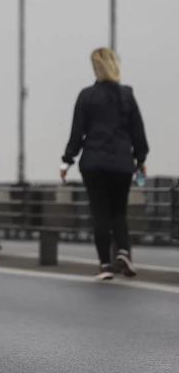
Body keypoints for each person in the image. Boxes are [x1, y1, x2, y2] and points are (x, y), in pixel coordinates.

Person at [61, 47, 150, 280]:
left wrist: (67, 161)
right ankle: (123, 252)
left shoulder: (86, 96)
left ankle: (104, 266)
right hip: (121, 163)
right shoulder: (126, 95)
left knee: (101, 214)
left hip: (93, 163)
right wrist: (141, 159)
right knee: (119, 212)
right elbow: (137, 131)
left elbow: (77, 133)